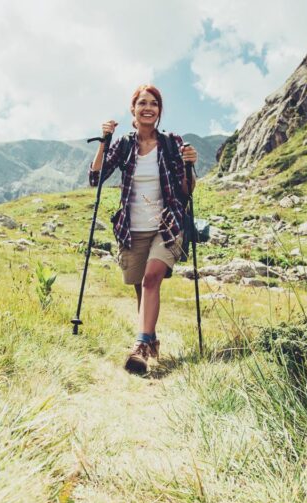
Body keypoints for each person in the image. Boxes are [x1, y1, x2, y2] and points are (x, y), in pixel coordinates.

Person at [89, 84, 198, 374]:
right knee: (141, 289)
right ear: (133, 110)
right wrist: (104, 141)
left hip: (167, 225)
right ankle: (151, 340)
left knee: (151, 280)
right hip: (131, 228)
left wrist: (189, 166)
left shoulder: (173, 143)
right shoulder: (124, 145)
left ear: (159, 111)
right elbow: (96, 178)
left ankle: (139, 347)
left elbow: (187, 192)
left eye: (154, 104)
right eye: (142, 103)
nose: (148, 108)